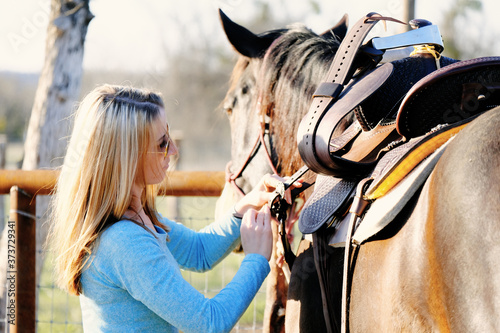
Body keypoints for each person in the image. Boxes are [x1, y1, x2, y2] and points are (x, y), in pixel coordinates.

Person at [48, 84, 300, 332]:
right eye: (162, 144)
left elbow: (198, 251)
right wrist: (256, 259)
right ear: (127, 158)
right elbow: (210, 323)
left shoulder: (137, 219)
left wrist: (246, 205)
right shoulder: (125, 242)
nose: (174, 150)